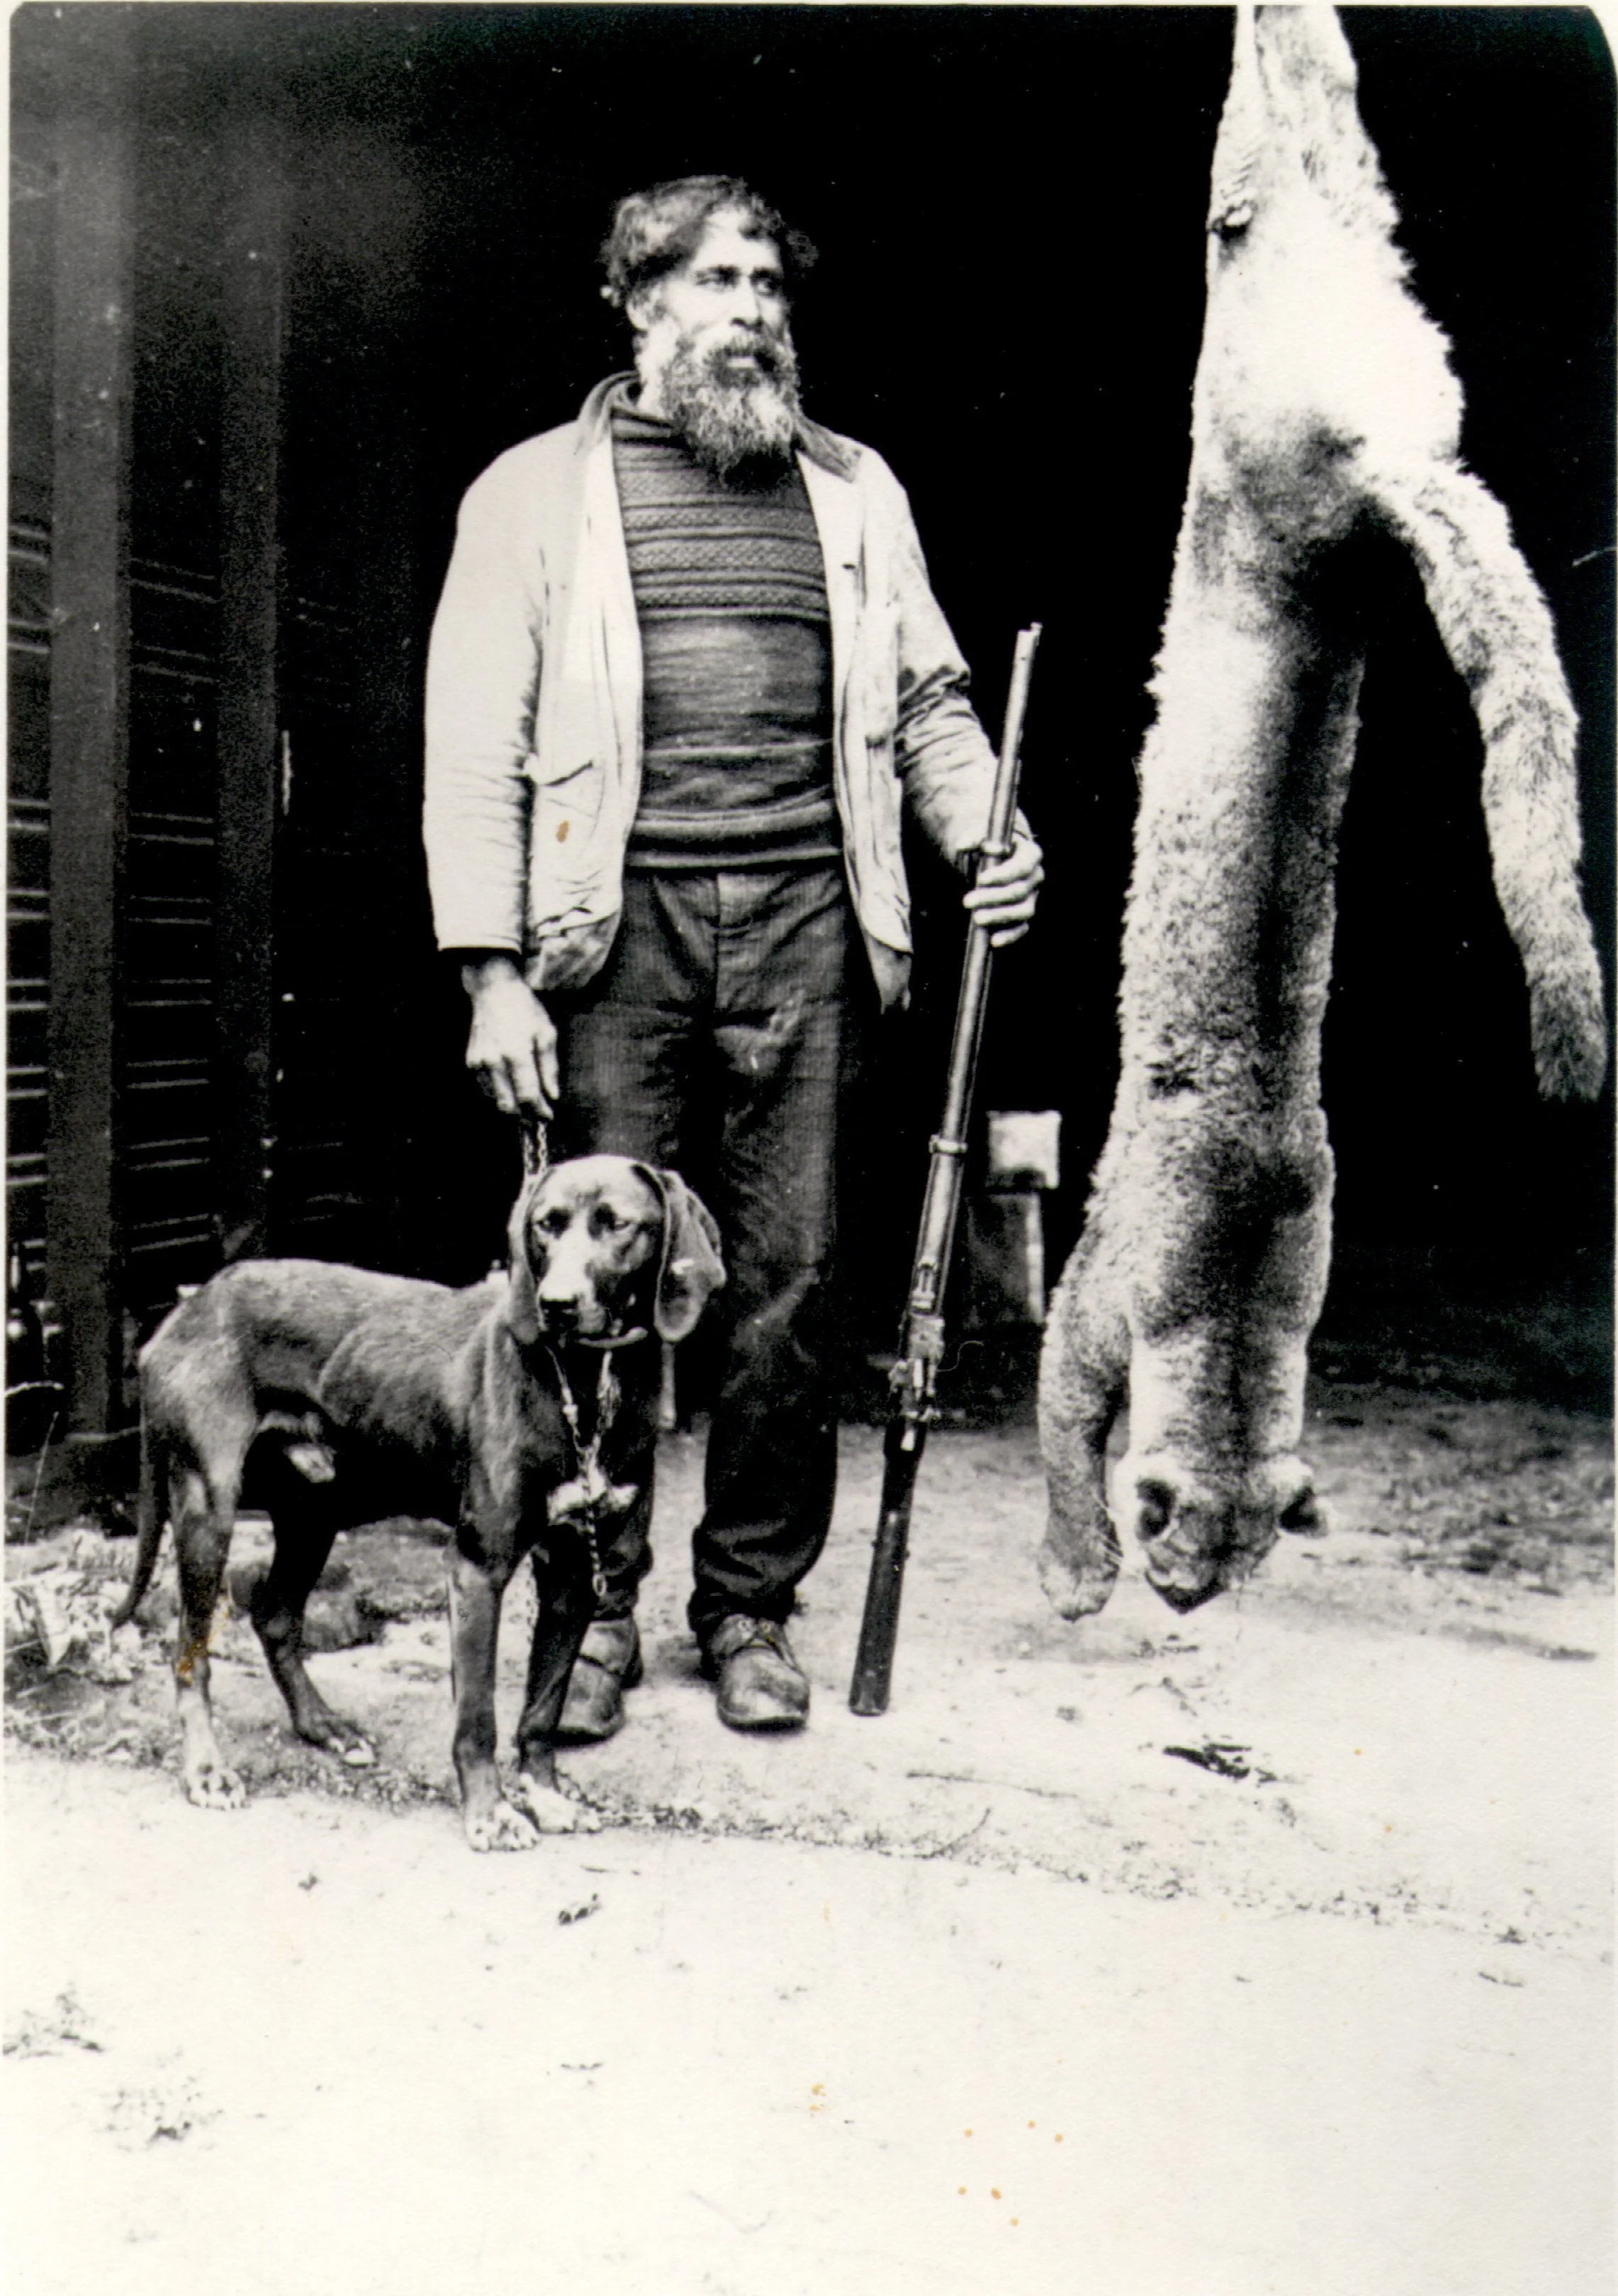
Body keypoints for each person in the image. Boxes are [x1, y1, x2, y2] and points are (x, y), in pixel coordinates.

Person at [423, 174, 1043, 1737]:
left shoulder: (855, 494)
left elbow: (928, 707)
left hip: (808, 930)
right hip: (607, 934)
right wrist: (490, 967)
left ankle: (749, 1609)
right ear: (640, 307)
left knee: (787, 1285)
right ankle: (600, 1612)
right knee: (591, 1292)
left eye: (769, 283)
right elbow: (471, 747)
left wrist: (981, 832)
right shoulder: (523, 497)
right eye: (715, 281)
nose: (753, 309)